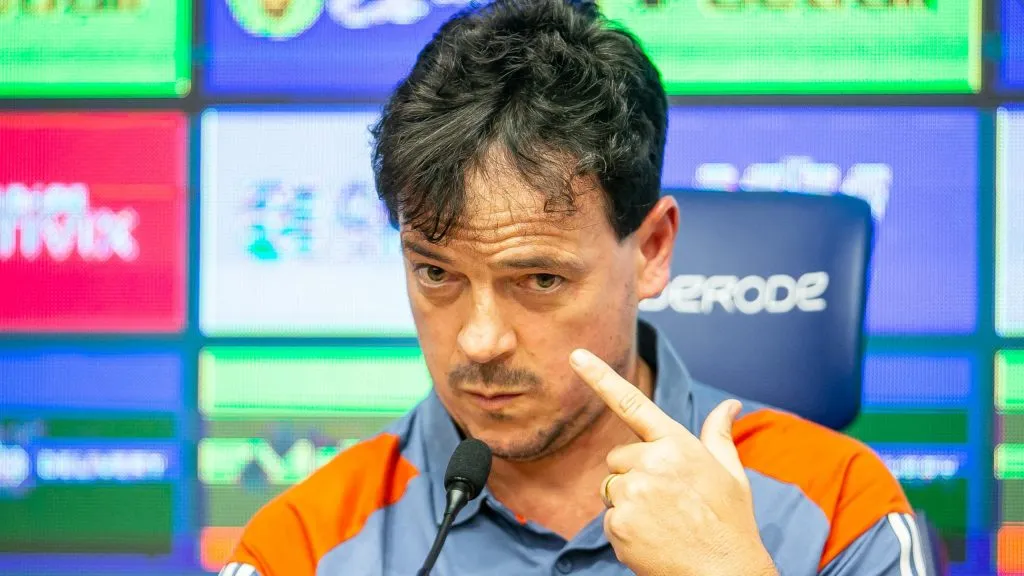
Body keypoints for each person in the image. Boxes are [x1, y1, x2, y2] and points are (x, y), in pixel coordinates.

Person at [218, 0, 922, 574]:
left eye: (540, 279)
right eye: (436, 272)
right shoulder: (304, 547)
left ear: (651, 249)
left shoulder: (836, 505)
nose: (479, 340)